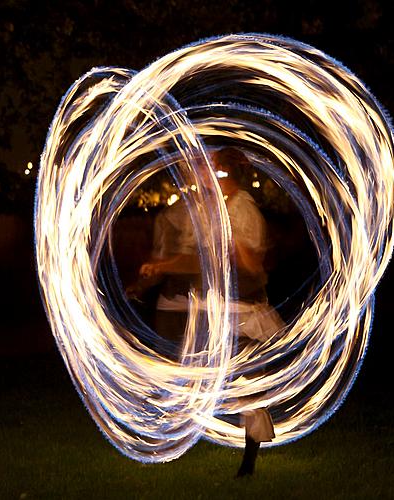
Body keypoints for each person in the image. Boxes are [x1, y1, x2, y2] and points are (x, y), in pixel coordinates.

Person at [129, 147, 281, 476]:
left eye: (213, 169)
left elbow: (254, 265)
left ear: (225, 174)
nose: (206, 174)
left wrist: (233, 246)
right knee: (205, 377)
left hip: (245, 313)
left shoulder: (242, 210)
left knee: (248, 386)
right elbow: (201, 261)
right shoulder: (218, 210)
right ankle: (180, 434)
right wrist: (162, 267)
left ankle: (248, 463)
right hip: (219, 310)